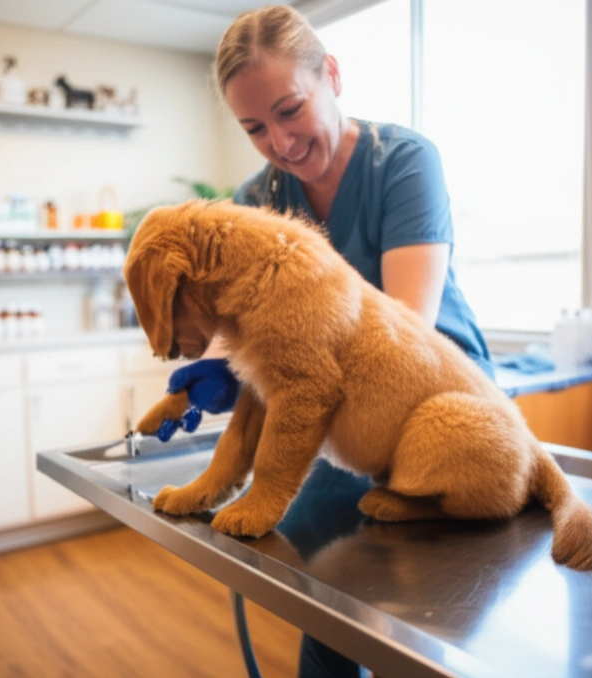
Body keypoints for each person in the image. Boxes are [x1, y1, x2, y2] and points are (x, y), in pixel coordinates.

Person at [155, 5, 493, 677]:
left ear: (330, 74)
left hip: (428, 396)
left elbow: (407, 330)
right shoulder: (260, 200)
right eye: (254, 127)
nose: (279, 141)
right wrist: (232, 369)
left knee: (391, 595)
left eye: (289, 109)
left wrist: (285, 385)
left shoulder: (403, 163)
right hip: (332, 409)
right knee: (328, 591)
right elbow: (262, 339)